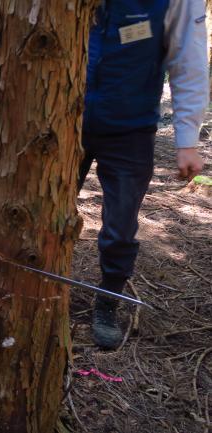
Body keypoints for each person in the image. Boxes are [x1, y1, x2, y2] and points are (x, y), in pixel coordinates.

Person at [81, 0, 208, 349]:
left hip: (131, 128)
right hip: (62, 122)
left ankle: (107, 300)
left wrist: (187, 140)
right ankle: (37, 289)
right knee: (41, 211)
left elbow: (189, 60)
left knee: (120, 228)